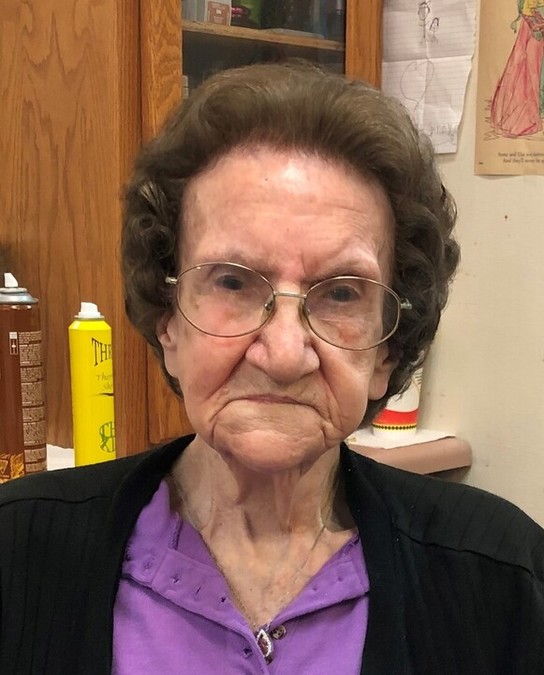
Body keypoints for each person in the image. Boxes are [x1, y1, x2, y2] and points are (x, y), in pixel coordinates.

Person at [1, 61, 543, 675]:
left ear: (385, 351)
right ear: (168, 322)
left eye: (341, 293)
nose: (285, 354)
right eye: (232, 282)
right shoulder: (18, 551)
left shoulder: (503, 578)